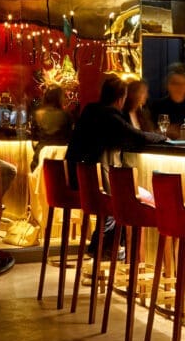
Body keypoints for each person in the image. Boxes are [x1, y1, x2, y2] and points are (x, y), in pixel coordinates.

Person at [65, 74, 165, 254]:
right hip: (101, 188)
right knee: (141, 198)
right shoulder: (110, 117)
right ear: (120, 99)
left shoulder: (89, 112)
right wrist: (163, 138)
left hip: (80, 181)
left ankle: (107, 248)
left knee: (115, 202)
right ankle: (116, 251)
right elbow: (137, 136)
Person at [147, 65, 185, 138]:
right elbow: (150, 132)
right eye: (175, 83)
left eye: (182, 84)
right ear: (168, 85)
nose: (179, 87)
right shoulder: (157, 106)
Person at [30, 85, 73, 172]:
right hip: (62, 158)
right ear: (60, 98)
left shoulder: (37, 114)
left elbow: (34, 141)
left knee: (33, 165)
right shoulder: (67, 115)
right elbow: (70, 138)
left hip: (41, 156)